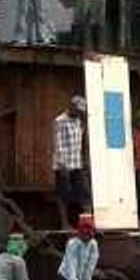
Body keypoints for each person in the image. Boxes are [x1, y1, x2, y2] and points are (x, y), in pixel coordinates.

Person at [53, 95, 90, 227]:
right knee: (64, 196)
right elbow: (59, 145)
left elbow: (81, 142)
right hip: (64, 165)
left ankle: (87, 223)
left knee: (84, 194)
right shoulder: (60, 121)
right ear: (71, 107)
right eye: (78, 110)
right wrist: (62, 165)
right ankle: (65, 224)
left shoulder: (79, 120)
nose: (80, 113)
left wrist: (84, 161)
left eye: (82, 111)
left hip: (77, 163)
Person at [57, 214, 99, 280]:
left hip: (80, 279)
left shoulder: (93, 244)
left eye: (90, 233)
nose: (88, 236)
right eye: (85, 233)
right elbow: (71, 267)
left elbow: (90, 267)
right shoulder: (72, 244)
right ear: (80, 232)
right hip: (65, 278)